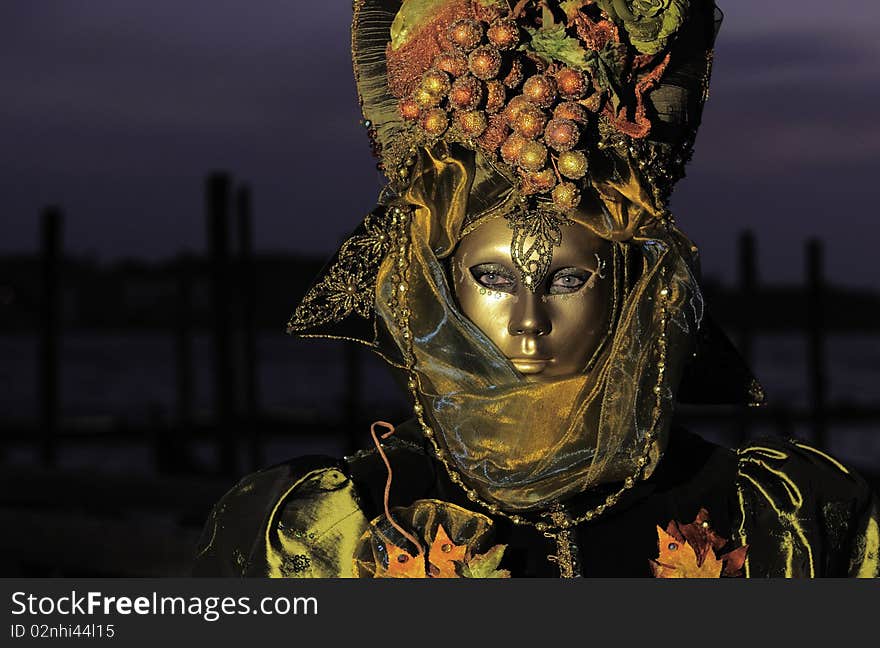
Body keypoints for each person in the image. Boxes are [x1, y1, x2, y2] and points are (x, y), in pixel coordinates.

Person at [192, 0, 879, 578]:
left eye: (568, 279)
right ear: (435, 284)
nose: (528, 320)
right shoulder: (324, 533)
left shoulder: (778, 520)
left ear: (633, 287)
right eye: (491, 277)